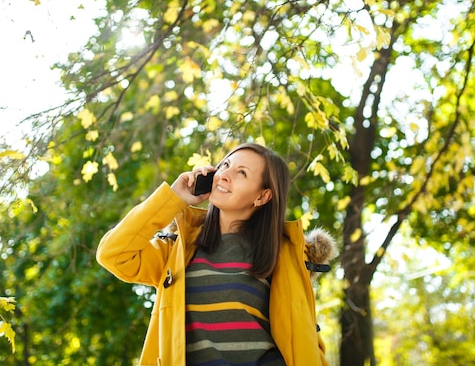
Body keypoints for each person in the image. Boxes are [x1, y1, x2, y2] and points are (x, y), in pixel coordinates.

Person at [96, 143, 336, 366]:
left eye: (241, 173)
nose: (225, 174)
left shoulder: (283, 255)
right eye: (225, 165)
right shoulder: (178, 250)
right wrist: (173, 199)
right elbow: (113, 254)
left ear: (262, 196)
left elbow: (305, 341)